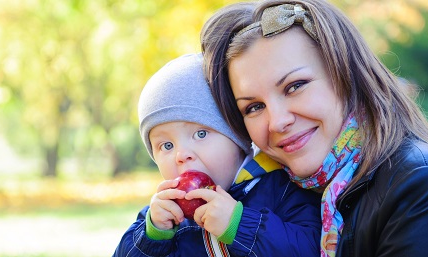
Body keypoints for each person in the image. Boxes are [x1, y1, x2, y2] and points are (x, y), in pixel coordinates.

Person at [200, 0, 428, 256]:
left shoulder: (422, 188)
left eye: (295, 86)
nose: (277, 120)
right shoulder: (291, 193)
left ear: (347, 77)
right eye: (253, 107)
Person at [113, 53, 322, 256]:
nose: (181, 154)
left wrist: (239, 226)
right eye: (166, 145)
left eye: (200, 133)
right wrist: (152, 238)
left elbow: (313, 248)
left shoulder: (281, 189)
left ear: (237, 137)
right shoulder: (163, 217)